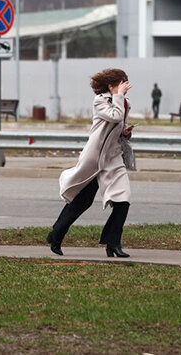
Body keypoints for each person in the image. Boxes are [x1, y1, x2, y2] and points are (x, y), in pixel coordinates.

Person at [46, 68, 134, 258]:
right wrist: (119, 97)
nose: (126, 86)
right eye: (122, 83)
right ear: (111, 86)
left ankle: (113, 243)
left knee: (123, 200)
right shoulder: (100, 100)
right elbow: (115, 116)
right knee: (82, 201)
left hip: (112, 158)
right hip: (94, 159)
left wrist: (125, 133)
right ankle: (56, 235)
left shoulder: (124, 102)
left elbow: (118, 125)